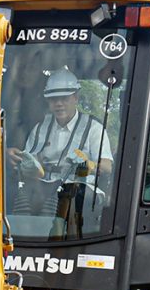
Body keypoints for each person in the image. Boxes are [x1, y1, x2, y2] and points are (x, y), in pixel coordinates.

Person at [7, 68, 113, 217]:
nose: (59, 103)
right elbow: (31, 160)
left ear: (76, 97)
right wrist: (17, 157)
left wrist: (90, 164)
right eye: (53, 99)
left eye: (64, 98)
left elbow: (107, 167)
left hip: (79, 186)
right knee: (19, 196)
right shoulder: (40, 127)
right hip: (43, 187)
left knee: (63, 199)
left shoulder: (93, 128)